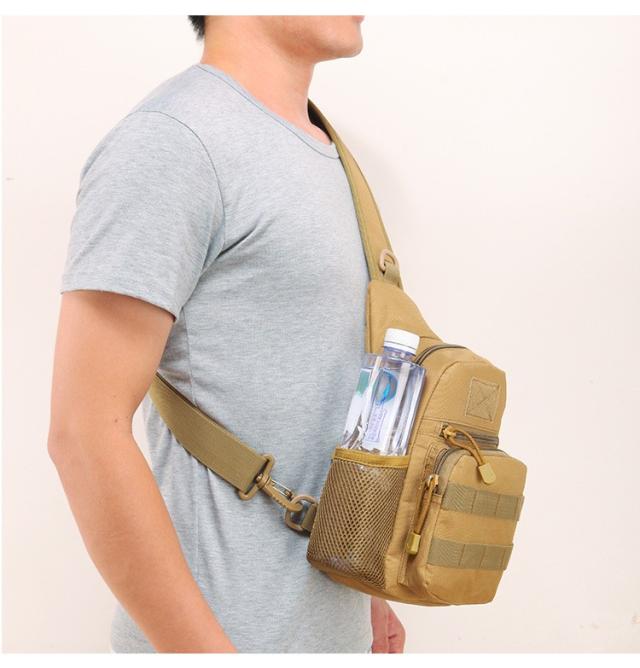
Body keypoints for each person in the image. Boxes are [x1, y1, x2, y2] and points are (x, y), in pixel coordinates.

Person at [48, 15, 406, 653]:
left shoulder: (324, 149)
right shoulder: (173, 142)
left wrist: (367, 590)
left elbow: (314, 398)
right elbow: (83, 432)